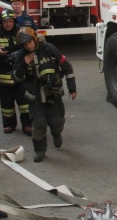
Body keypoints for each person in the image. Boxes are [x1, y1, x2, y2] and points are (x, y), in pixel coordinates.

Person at [12, 27, 76, 162]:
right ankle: (40, 151)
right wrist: (23, 64)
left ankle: (56, 134)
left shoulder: (49, 49)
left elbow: (67, 67)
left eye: (29, 42)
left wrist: (72, 88)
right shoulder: (21, 56)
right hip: (35, 98)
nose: (28, 46)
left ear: (35, 39)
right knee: (39, 126)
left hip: (53, 95)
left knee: (57, 122)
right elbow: (16, 77)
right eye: (24, 44)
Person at [0, 9, 32, 135]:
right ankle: (9, 124)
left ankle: (28, 125)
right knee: (6, 103)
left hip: (21, 75)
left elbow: (31, 46)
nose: (8, 24)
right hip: (2, 76)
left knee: (24, 102)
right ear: (1, 23)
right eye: (5, 22)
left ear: (14, 21)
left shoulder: (21, 32)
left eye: (10, 21)